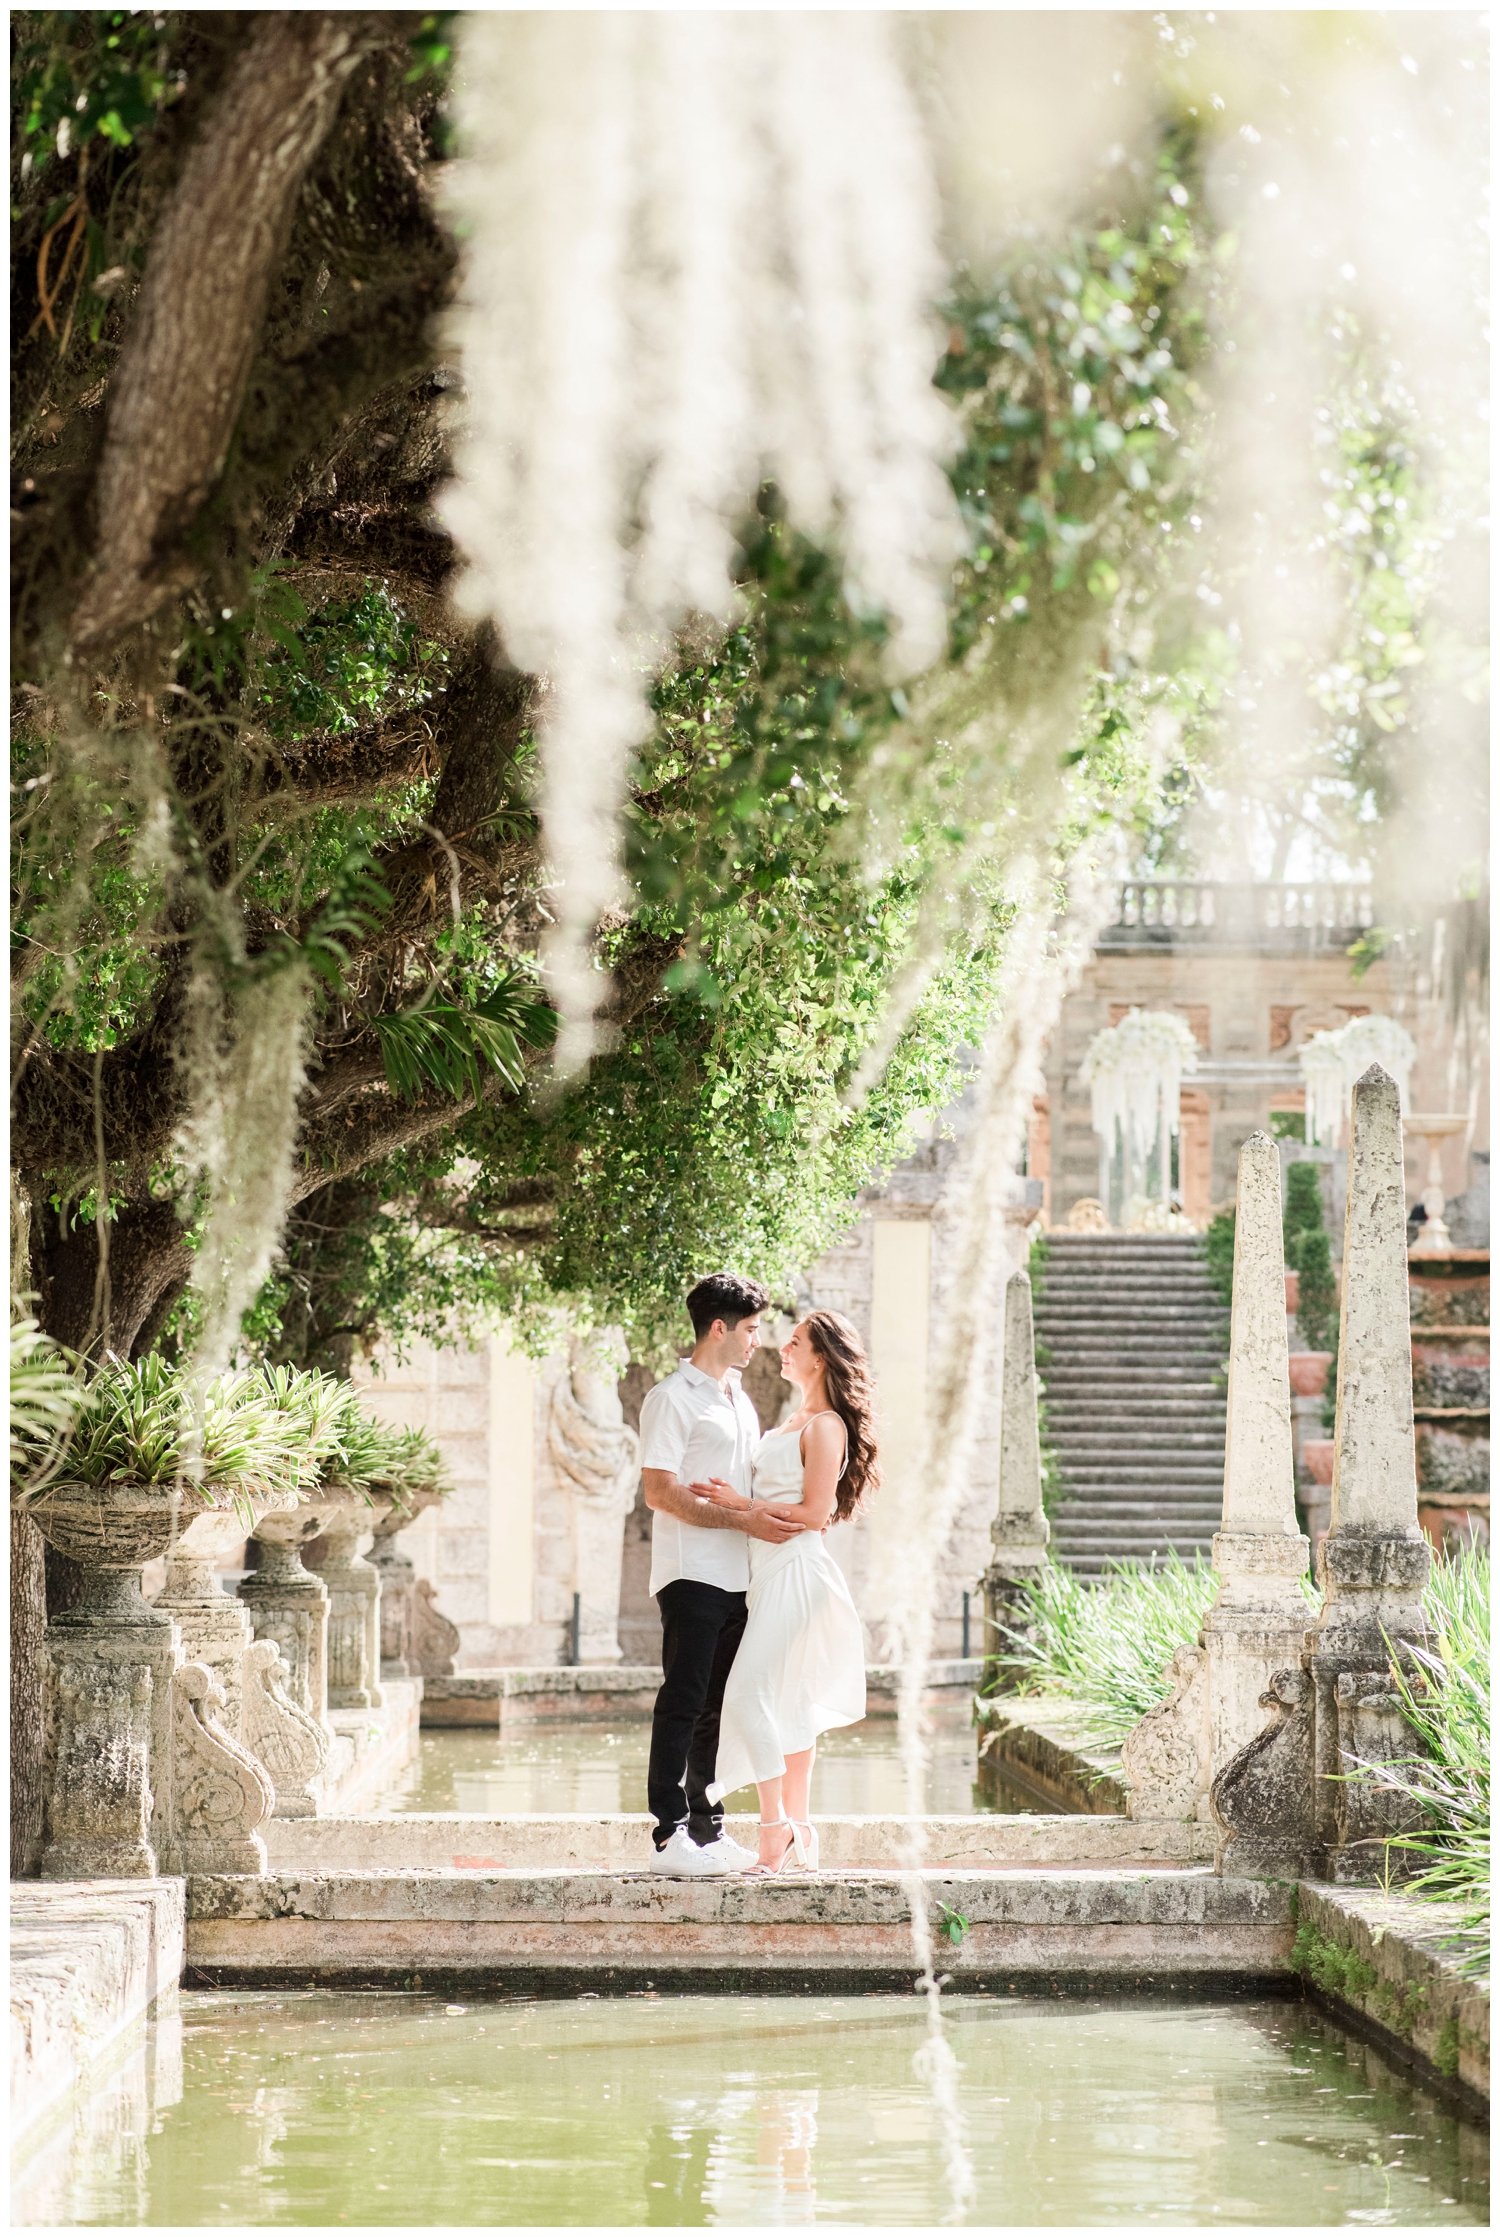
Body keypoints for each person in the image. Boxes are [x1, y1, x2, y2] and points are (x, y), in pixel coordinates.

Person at [639, 1271, 809, 1876]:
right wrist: (744, 1524)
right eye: (752, 1330)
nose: (757, 1341)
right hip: (691, 1575)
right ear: (720, 1328)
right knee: (682, 1701)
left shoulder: (739, 1399)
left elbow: (742, 1491)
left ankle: (708, 1830)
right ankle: (669, 1836)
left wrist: (759, 1520)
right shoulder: (671, 1398)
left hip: (741, 1578)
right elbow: (661, 1492)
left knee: (718, 1706)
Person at [701, 1309, 877, 1873]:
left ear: (820, 1357)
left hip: (798, 1571)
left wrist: (741, 1505)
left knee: (747, 1690)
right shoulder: (793, 1417)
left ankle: (772, 1828)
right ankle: (800, 1828)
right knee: (790, 1705)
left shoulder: (825, 1425)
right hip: (767, 1571)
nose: (782, 1347)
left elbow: (816, 1513)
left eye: (795, 1342)